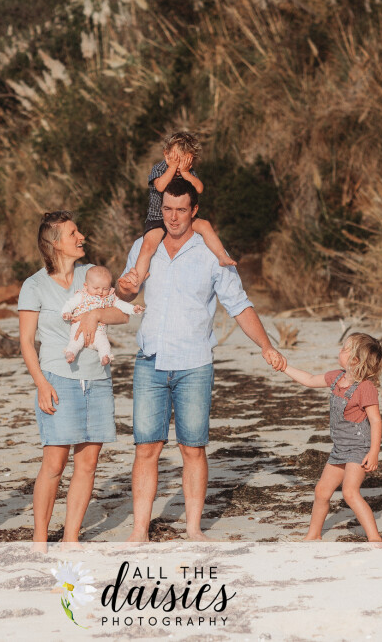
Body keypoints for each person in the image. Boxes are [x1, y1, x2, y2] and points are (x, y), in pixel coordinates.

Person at [116, 178, 287, 542]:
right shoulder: (145, 246)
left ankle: (194, 529)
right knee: (146, 448)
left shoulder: (211, 252)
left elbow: (238, 304)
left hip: (194, 363)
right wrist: (124, 288)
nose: (173, 217)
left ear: (194, 211)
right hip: (150, 360)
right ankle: (139, 531)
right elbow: (125, 291)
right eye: (167, 209)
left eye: (181, 210)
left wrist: (266, 346)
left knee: (193, 448)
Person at [17, 211, 131, 549]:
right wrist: (41, 384)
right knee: (54, 463)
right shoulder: (34, 285)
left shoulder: (91, 274)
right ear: (55, 244)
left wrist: (96, 313)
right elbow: (26, 342)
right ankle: (40, 539)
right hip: (57, 378)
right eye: (73, 233)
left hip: (98, 379)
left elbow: (121, 314)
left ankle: (70, 538)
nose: (81, 237)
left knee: (88, 463)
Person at [280, 333, 382, 542]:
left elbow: (376, 421)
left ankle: (375, 538)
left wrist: (374, 452)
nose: (340, 351)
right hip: (340, 447)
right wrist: (284, 367)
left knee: (350, 492)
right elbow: (309, 380)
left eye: (345, 349)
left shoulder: (366, 388)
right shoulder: (336, 378)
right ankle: (313, 535)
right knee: (321, 491)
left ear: (355, 360)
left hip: (358, 448)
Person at [127, 132, 235, 289]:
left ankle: (221, 256)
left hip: (185, 218)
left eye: (184, 162)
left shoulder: (188, 172)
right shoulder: (159, 168)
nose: (178, 167)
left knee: (205, 225)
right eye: (175, 160)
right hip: (158, 218)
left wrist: (185, 173)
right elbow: (160, 186)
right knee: (148, 245)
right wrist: (171, 168)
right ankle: (137, 278)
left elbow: (199, 188)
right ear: (166, 154)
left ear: (191, 161)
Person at [60, 265, 144, 365]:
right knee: (76, 341)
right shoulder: (82, 295)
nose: (100, 291)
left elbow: (121, 305)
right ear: (86, 286)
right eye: (96, 288)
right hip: (80, 328)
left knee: (104, 344)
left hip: (99, 332)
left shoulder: (110, 297)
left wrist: (133, 309)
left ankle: (105, 357)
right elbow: (69, 304)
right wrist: (66, 313)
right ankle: (70, 353)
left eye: (105, 288)